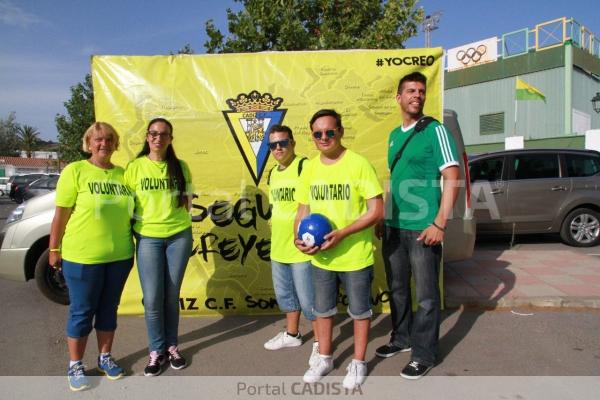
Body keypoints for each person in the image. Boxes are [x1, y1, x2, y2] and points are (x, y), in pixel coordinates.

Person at [377, 71, 460, 379]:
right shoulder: (393, 135)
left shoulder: (435, 130)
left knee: (425, 296)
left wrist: (440, 222)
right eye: (410, 90)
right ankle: (401, 339)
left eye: (421, 91)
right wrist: (384, 216)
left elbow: (453, 177)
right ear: (398, 97)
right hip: (394, 226)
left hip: (424, 227)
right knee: (398, 289)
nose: (416, 95)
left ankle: (423, 354)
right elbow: (395, 181)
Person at [295, 109, 383, 389]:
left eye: (329, 132)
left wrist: (343, 233)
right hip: (322, 258)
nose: (324, 137)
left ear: (340, 131)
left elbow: (377, 209)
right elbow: (303, 209)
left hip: (355, 256)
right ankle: (325, 357)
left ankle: (358, 362)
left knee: (359, 312)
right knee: (323, 310)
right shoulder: (309, 167)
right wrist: (299, 238)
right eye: (318, 133)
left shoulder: (358, 164)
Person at [49, 122, 134, 391]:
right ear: (88, 143)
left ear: (115, 143)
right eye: (98, 139)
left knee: (108, 310)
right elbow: (61, 215)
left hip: (120, 255)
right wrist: (53, 249)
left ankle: (105, 358)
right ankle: (75, 364)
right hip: (82, 257)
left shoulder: (123, 175)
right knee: (82, 311)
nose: (104, 144)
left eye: (109, 139)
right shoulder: (75, 170)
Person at [124, 117, 193, 377]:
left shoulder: (181, 167)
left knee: (171, 296)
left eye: (163, 134)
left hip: (178, 237)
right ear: (147, 137)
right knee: (153, 298)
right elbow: (127, 206)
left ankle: (172, 347)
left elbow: (186, 201)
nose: (158, 138)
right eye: (153, 133)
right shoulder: (135, 167)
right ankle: (156, 351)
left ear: (170, 139)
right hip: (148, 238)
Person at [263, 125, 319, 365]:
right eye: (273, 145)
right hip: (279, 247)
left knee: (310, 301)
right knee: (286, 297)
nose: (278, 148)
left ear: (293, 143)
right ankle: (292, 334)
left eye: (282, 143)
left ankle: (320, 344)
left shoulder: (305, 166)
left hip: (302, 247)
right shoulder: (273, 173)